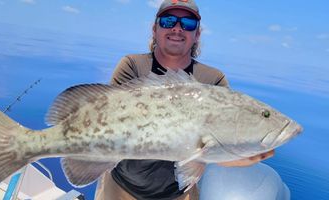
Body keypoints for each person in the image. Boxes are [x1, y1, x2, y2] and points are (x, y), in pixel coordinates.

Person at [95, 0, 274, 199]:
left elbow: (216, 147)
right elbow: (105, 121)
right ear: (155, 29)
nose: (177, 28)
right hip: (121, 186)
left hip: (178, 194)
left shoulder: (213, 79)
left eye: (187, 23)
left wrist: (240, 154)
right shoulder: (132, 66)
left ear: (196, 34)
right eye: (168, 21)